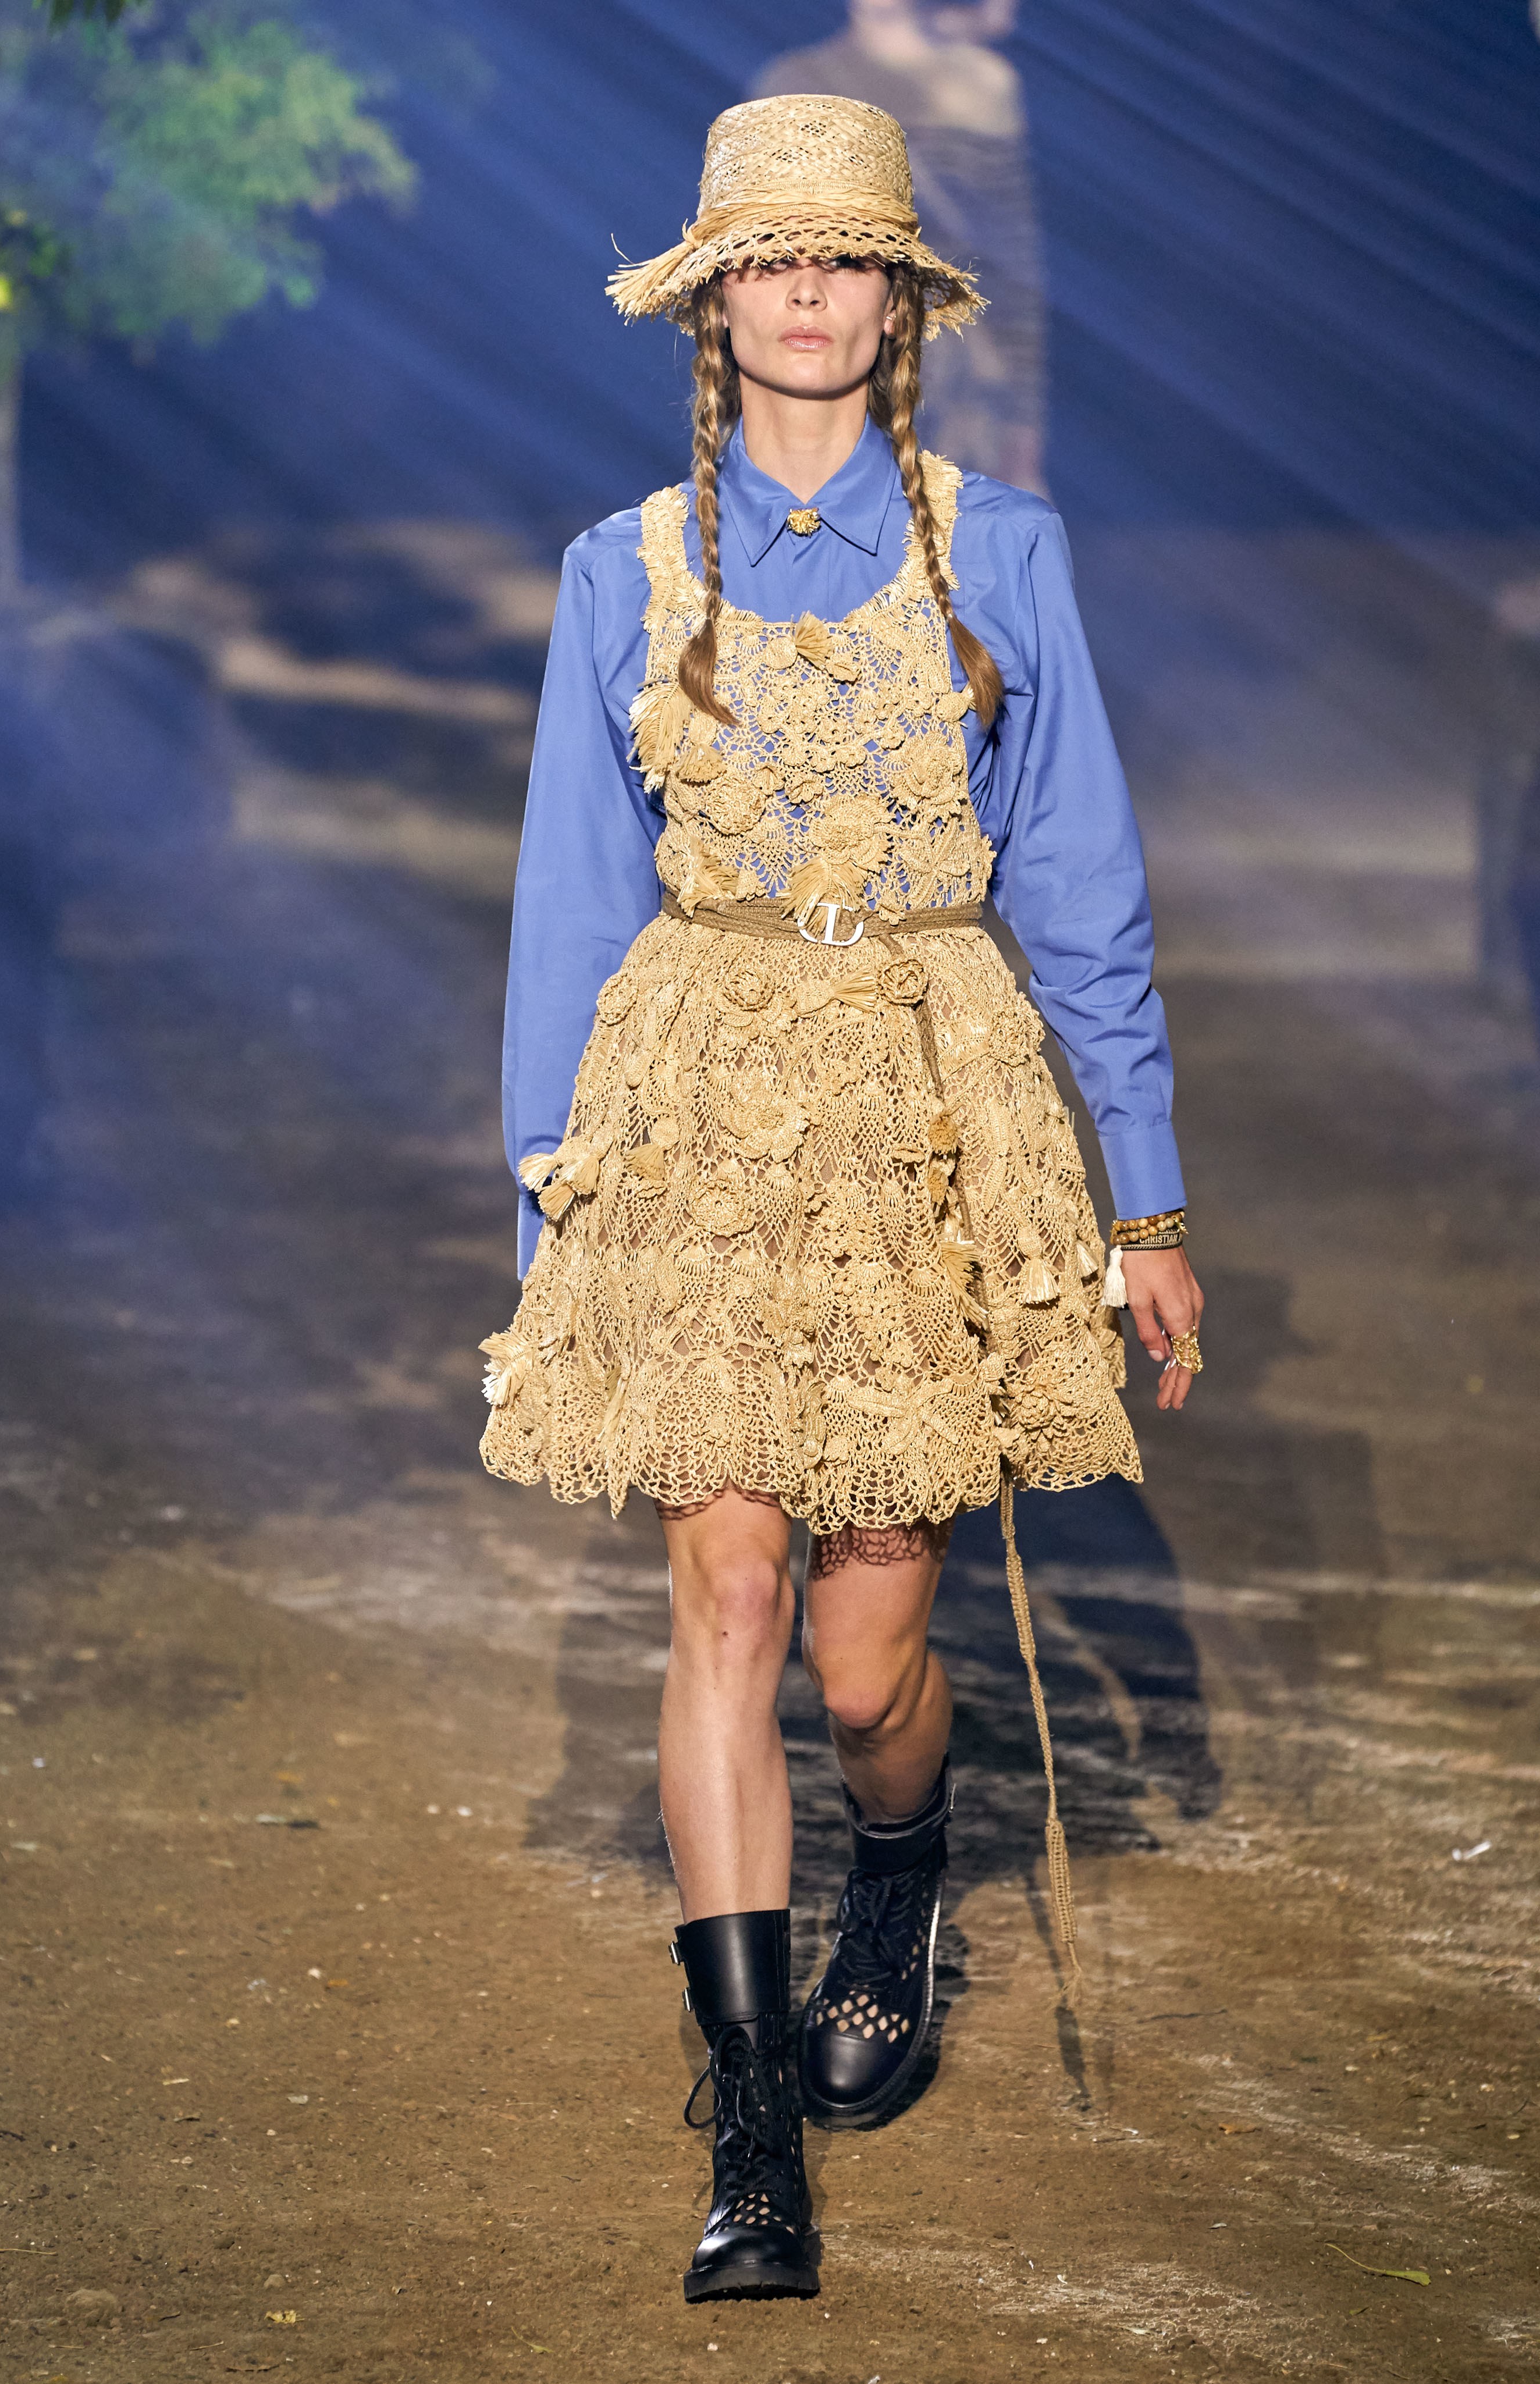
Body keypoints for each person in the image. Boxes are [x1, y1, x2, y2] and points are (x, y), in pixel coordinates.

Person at [478, 92, 1202, 2303]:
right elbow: (567, 908)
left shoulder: (1009, 554)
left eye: (846, 256)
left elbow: (1079, 891)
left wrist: (1145, 1203)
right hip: (693, 1108)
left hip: (925, 1109)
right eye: (768, 258)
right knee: (724, 1592)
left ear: (899, 302)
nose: (806, 290)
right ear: (714, 304)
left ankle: (899, 1863)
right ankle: (752, 2127)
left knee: (866, 1647)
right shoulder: (620, 571)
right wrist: (552, 1215)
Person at [755, 0, 1048, 494]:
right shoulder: (793, 83)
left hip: (958, 394)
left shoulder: (983, 85)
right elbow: (762, 268)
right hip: (831, 387)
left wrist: (1022, 428)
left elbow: (1011, 271)